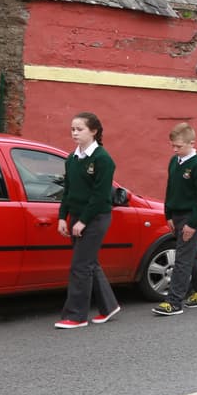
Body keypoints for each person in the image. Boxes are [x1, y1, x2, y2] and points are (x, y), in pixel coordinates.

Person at [54, 112, 121, 328]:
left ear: (94, 131)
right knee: (89, 262)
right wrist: (63, 217)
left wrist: (82, 221)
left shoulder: (103, 159)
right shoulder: (71, 159)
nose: (74, 133)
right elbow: (68, 191)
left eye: (79, 129)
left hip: (96, 218)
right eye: (72, 129)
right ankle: (109, 306)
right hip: (77, 216)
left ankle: (76, 316)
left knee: (80, 266)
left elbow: (100, 196)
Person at [153, 122, 197, 315]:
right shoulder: (174, 162)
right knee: (192, 254)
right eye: (173, 146)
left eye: (178, 146)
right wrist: (168, 214)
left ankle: (174, 302)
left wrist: (193, 224)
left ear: (191, 143)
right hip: (176, 215)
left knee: (182, 258)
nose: (175, 149)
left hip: (191, 216)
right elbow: (170, 189)